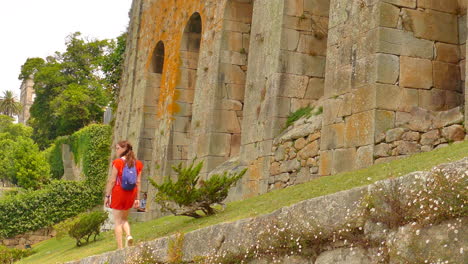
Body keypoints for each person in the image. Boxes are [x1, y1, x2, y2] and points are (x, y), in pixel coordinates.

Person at [104, 140, 143, 249]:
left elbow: (112, 181)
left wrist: (107, 196)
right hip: (131, 193)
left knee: (117, 221)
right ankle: (129, 235)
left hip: (118, 192)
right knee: (124, 219)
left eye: (118, 148)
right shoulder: (138, 164)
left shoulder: (118, 162)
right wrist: (137, 199)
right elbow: (138, 182)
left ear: (124, 149)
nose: (116, 150)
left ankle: (120, 248)